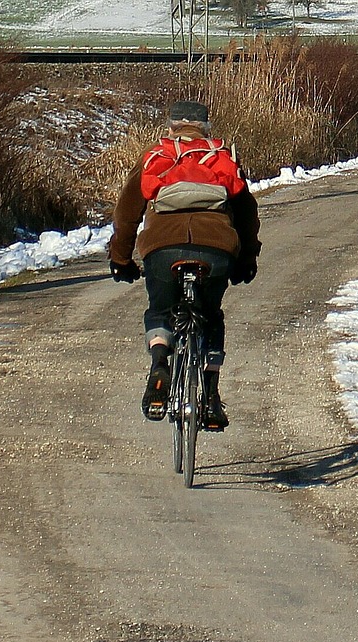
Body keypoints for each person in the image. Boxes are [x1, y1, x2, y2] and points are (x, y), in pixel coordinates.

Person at [108, 100, 260, 431]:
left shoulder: (155, 157)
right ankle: (210, 394)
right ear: (206, 128)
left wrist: (121, 259)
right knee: (211, 316)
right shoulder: (222, 157)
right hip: (216, 249)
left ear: (171, 127)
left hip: (162, 250)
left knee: (160, 310)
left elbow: (126, 213)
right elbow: (247, 214)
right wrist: (247, 259)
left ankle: (161, 361)